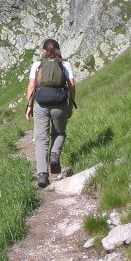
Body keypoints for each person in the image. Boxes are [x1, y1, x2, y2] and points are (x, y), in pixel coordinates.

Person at [25, 39, 76, 188]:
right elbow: (72, 86)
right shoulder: (65, 65)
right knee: (59, 133)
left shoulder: (37, 65)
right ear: (58, 50)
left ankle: (42, 175)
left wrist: (29, 106)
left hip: (41, 104)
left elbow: (31, 86)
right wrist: (70, 105)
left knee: (41, 139)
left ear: (44, 51)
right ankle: (54, 155)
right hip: (60, 104)